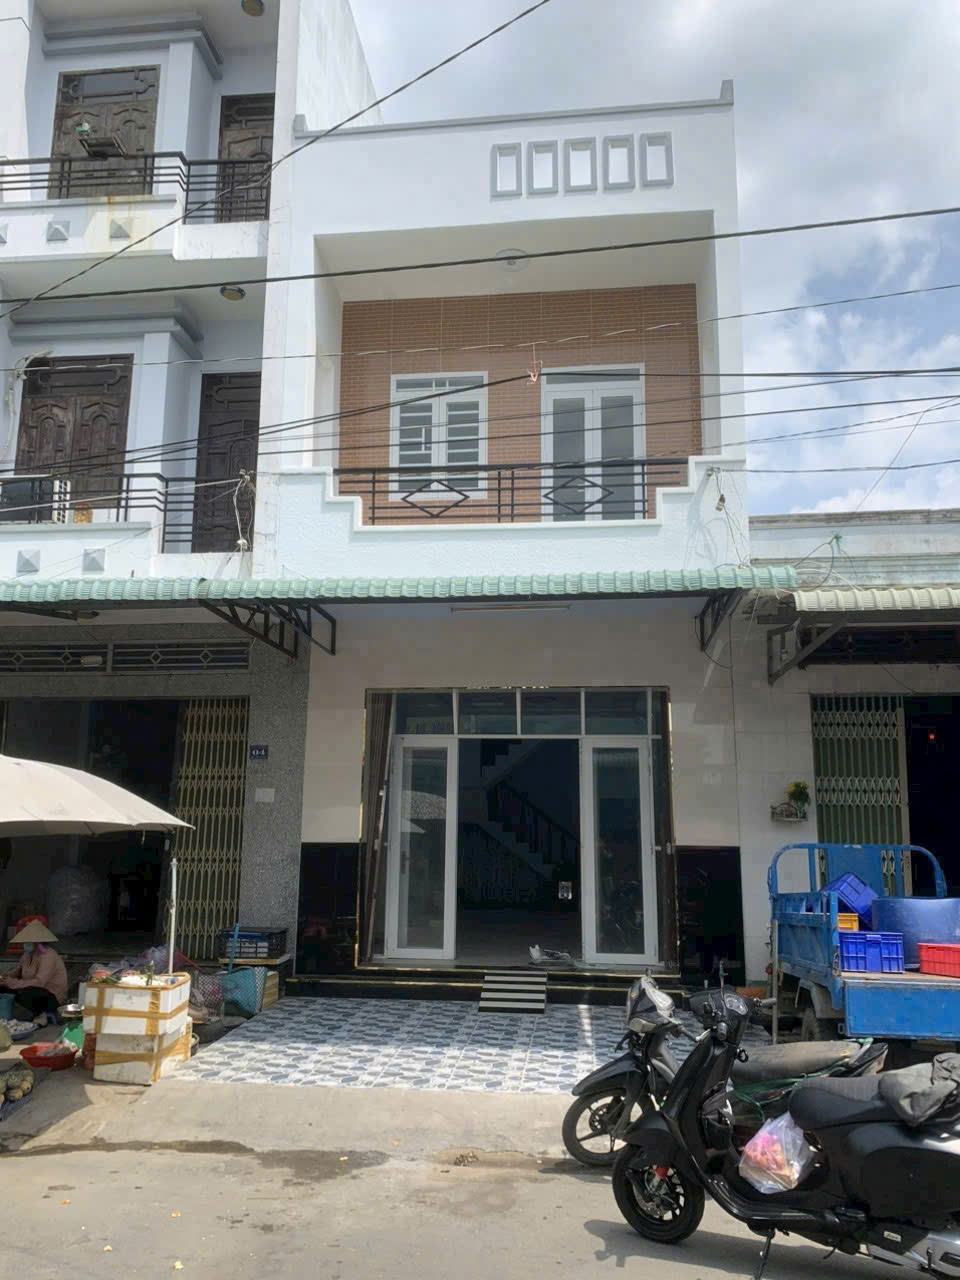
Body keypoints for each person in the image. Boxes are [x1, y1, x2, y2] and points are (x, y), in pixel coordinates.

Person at [1, 921, 68, 1025]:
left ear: (37, 942)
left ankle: (41, 1015)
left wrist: (13, 983)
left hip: (51, 997)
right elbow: (18, 971)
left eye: (28, 941)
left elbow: (39, 982)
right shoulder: (27, 954)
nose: (25, 944)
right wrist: (5, 977)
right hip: (31, 989)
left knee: (25, 993)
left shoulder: (48, 956)